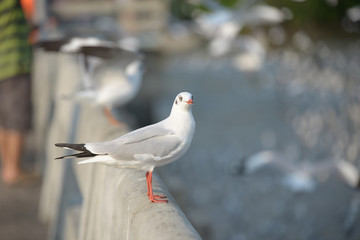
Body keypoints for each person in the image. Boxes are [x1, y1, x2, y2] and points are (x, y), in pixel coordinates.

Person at [0, 0, 33, 185]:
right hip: (14, 61)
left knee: (4, 119)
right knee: (17, 117)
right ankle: (13, 170)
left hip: (3, 62)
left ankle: (8, 166)